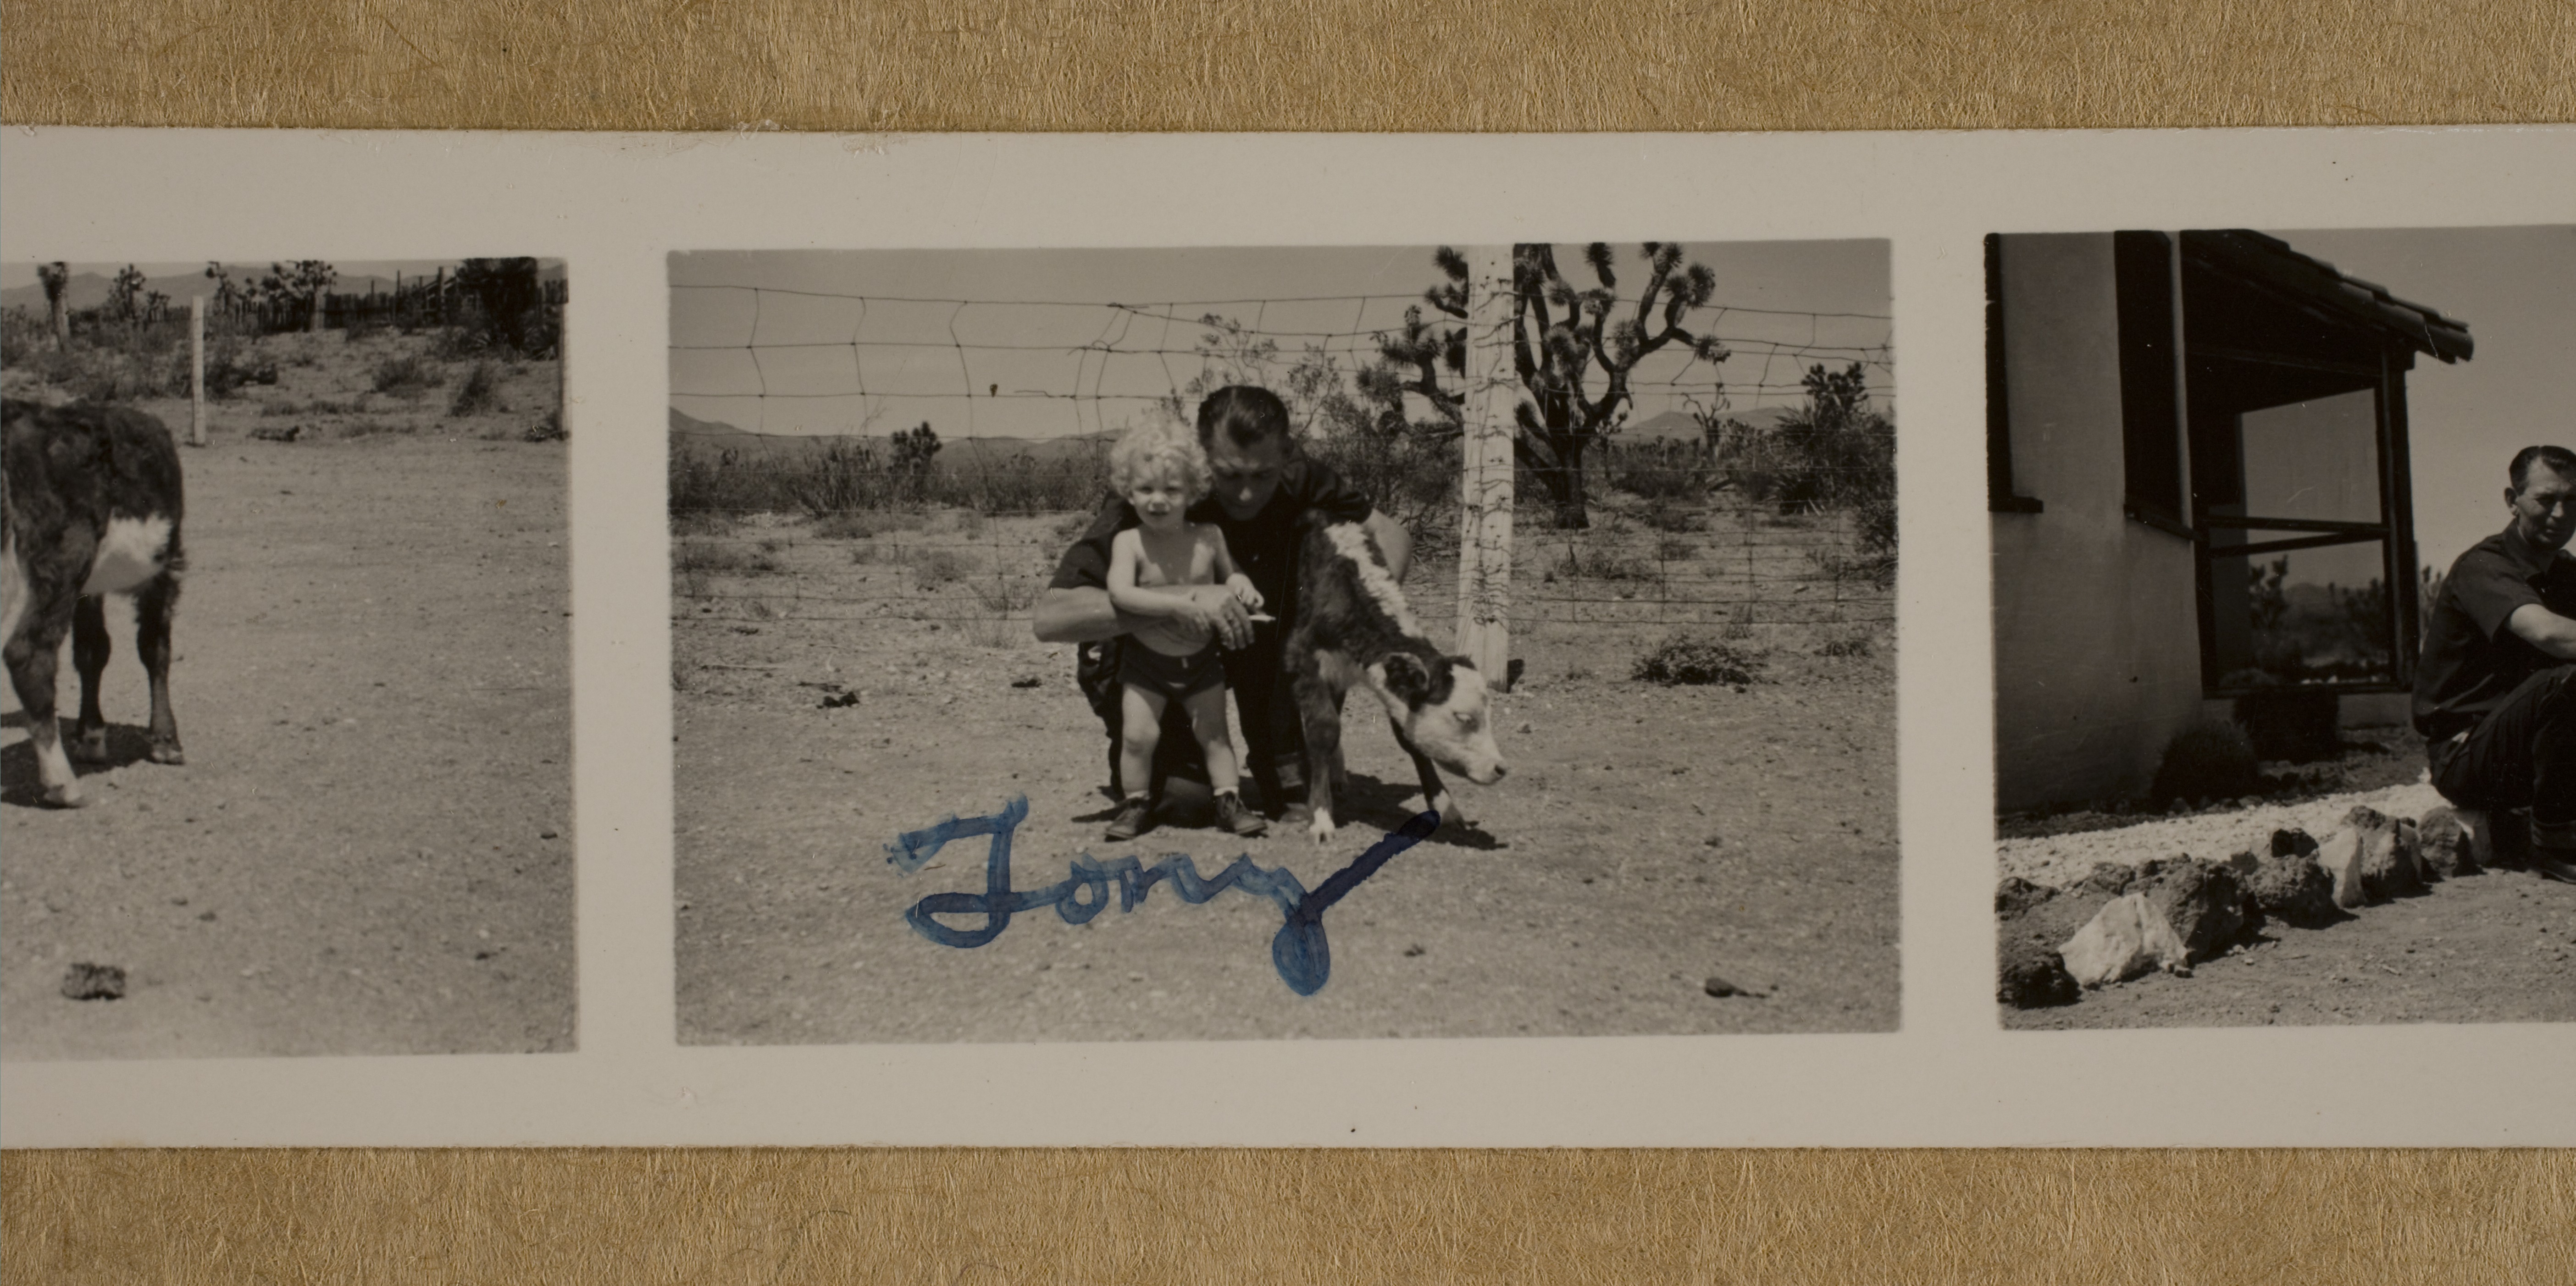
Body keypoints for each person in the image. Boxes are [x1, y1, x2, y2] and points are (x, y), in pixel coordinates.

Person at [1033, 386, 1413, 822]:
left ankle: (1282, 752)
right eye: (1229, 476)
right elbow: (1052, 617)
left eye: (1263, 476)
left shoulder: (1300, 476)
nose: (1248, 494)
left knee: (1304, 798)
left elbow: (1392, 535)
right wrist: (1185, 599)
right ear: (1200, 455)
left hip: (1253, 645)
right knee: (1185, 799)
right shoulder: (1159, 490)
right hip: (1152, 658)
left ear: (1286, 453)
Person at [1097, 419, 1270, 841]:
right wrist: (1179, 604)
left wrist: (1241, 585)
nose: (1157, 501)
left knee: (1214, 734)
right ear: (1128, 489)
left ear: (1193, 491)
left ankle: (1229, 801)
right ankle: (1134, 803)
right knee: (1138, 736)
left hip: (1202, 661)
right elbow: (1120, 594)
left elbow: (1229, 575)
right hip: (1146, 663)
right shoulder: (1129, 542)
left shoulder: (1209, 536)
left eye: (1172, 490)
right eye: (1145, 489)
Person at [2414, 444, 2576, 883]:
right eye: (2546, 499)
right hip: (2467, 758)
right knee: (2568, 679)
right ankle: (2554, 844)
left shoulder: (2565, 573)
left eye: (2572, 499)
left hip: (2526, 755)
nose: (2560, 513)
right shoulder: (2484, 566)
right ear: (2512, 500)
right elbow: (2547, 632)